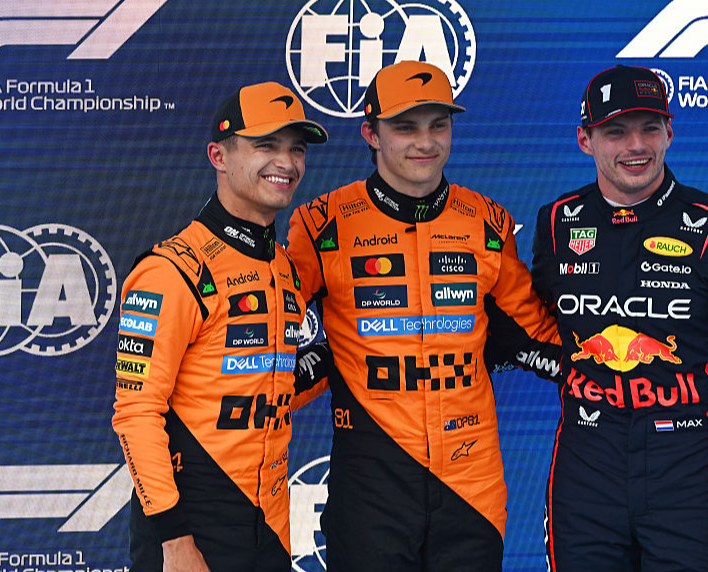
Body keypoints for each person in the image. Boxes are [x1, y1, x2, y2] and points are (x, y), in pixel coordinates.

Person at [286, 60, 563, 572]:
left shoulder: (487, 220)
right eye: (405, 127)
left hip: (471, 480)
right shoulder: (321, 222)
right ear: (371, 133)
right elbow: (269, 337)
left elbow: (535, 329)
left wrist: (621, 357)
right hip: (372, 480)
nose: (426, 142)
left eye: (439, 124)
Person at [531, 65, 708, 572]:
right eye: (615, 131)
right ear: (586, 140)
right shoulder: (557, 223)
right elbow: (532, 328)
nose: (635, 146)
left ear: (670, 132)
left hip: (686, 471)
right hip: (587, 472)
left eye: (649, 127)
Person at [111, 81, 331, 572]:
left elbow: (268, 385)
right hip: (191, 528)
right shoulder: (171, 270)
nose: (287, 162)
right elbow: (136, 413)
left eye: (296, 149)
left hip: (271, 527)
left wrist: (345, 355)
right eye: (266, 145)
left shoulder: (284, 268)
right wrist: (175, 542)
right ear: (219, 155)